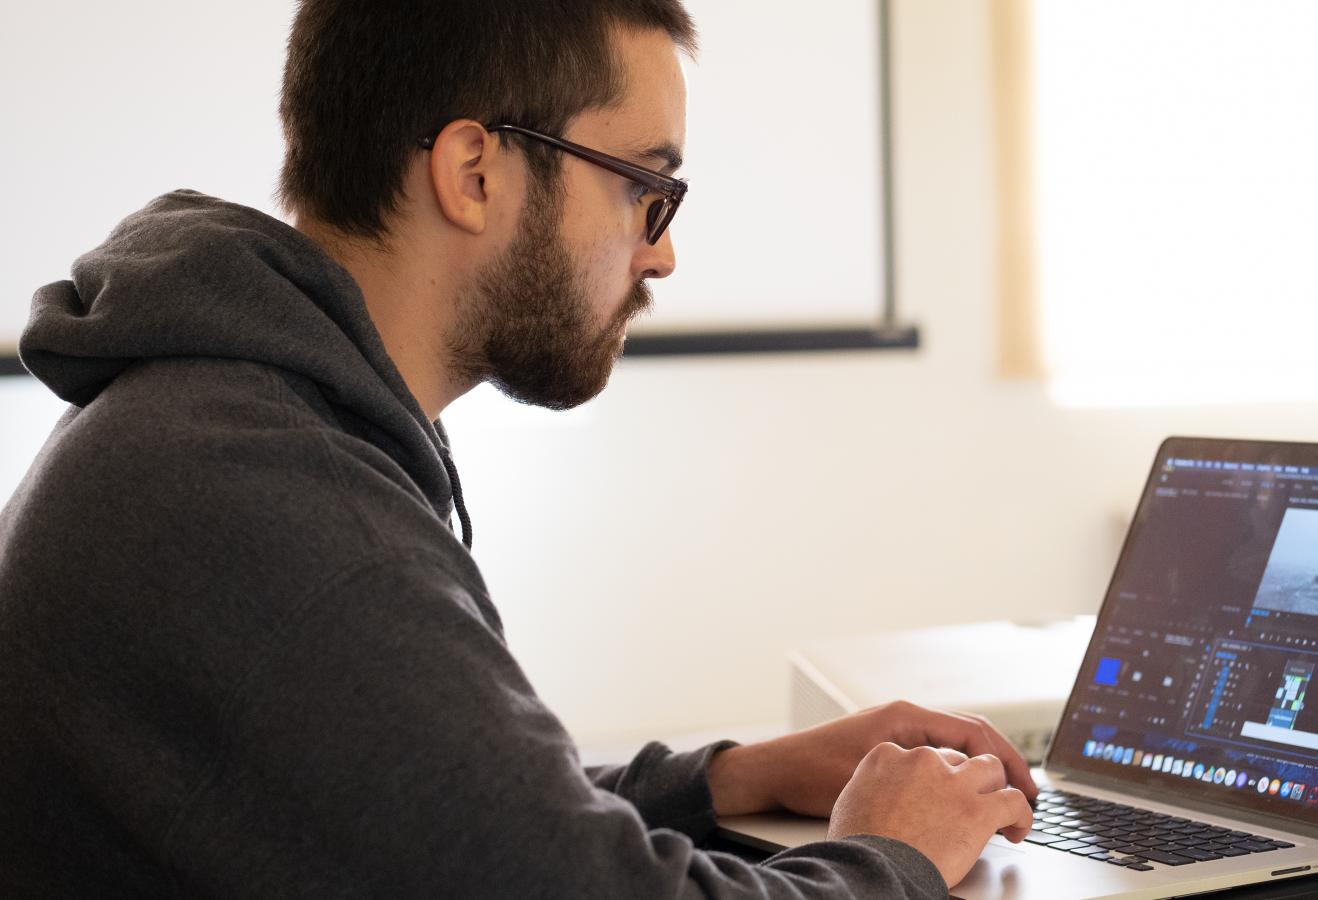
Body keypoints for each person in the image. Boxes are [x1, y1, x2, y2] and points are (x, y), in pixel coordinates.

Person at [0, 1, 1035, 896]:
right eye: (643, 187)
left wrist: (727, 780)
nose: (662, 252)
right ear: (474, 173)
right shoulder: (279, 513)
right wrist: (892, 853)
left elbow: (437, 809)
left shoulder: (223, 424)